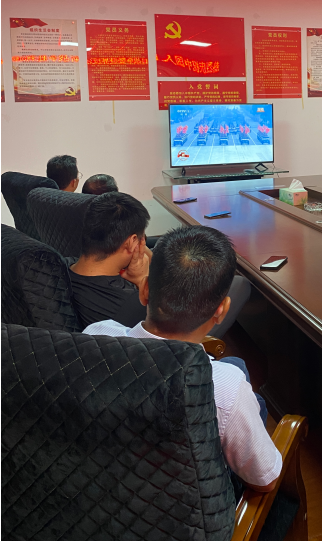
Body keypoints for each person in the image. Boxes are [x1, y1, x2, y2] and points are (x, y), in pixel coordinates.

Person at [84, 226, 281, 493]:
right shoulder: (223, 387)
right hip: (189, 507)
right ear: (221, 311)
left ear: (144, 290)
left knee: (237, 368)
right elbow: (264, 482)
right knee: (246, 391)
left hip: (103, 484)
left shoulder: (94, 335)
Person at [68, 191, 251, 334]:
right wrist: (143, 279)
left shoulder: (64, 266)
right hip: (176, 341)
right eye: (142, 239)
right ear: (132, 242)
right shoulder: (132, 302)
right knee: (241, 284)